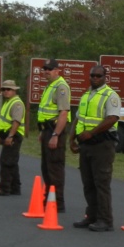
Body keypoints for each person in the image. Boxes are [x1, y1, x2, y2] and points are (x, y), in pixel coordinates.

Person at [70, 65, 121, 232]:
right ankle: (91, 216)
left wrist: (91, 133)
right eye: (92, 75)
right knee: (88, 183)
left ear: (105, 76)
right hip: (86, 145)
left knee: (101, 183)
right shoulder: (86, 95)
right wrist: (71, 139)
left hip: (102, 145)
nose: (95, 78)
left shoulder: (110, 96)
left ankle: (105, 219)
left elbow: (112, 118)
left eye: (98, 75)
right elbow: (78, 118)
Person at [37, 58, 71, 212]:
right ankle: (49, 199)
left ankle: (57, 202)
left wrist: (56, 134)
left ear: (57, 70)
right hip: (47, 130)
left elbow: (63, 113)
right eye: (45, 69)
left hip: (55, 131)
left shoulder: (61, 87)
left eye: (49, 69)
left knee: (54, 167)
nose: (46, 72)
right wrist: (42, 132)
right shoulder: (50, 86)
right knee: (46, 167)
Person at [0, 80, 24, 196]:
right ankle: (15, 187)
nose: (5, 91)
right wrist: (3, 139)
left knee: (6, 161)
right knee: (12, 162)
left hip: (13, 135)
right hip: (8, 135)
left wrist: (10, 136)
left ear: (14, 90)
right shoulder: (8, 102)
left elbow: (16, 121)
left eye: (8, 89)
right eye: (4, 89)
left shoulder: (16, 103)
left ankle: (4, 188)